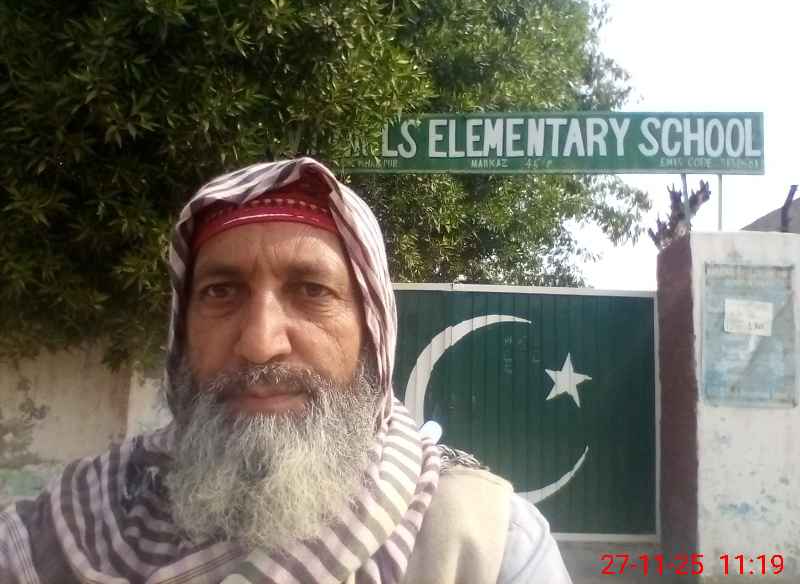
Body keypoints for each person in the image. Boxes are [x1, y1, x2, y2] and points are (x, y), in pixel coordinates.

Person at [0, 157, 572, 583]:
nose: (259, 344)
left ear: (372, 333)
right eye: (221, 291)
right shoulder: (79, 520)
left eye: (312, 290)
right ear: (182, 333)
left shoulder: (483, 544)